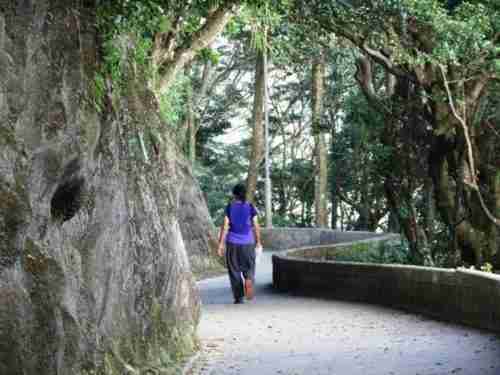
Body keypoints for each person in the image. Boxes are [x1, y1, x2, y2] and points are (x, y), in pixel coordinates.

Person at [217, 183, 262, 304]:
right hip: (248, 242)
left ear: (234, 194)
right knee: (249, 266)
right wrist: (258, 242)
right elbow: (256, 226)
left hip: (232, 242)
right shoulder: (250, 207)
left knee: (234, 270)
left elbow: (225, 226)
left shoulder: (230, 207)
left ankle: (239, 297)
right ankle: (248, 279)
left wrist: (221, 244)